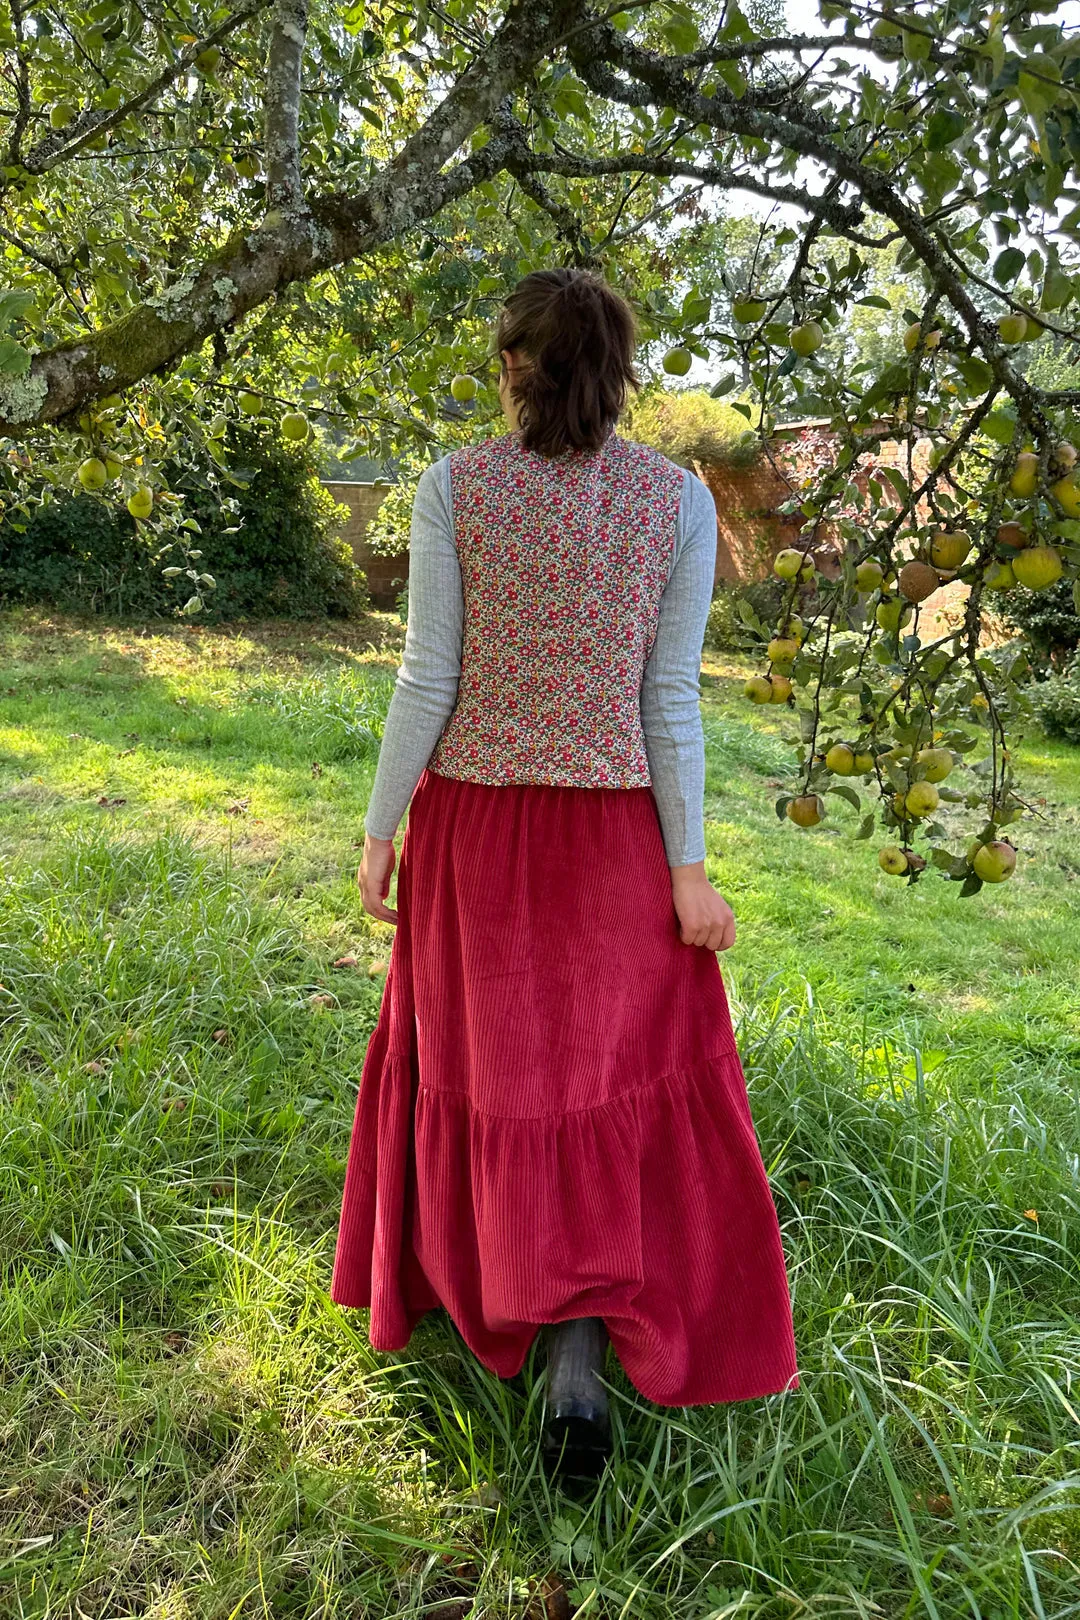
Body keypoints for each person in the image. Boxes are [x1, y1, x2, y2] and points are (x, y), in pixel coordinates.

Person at [330, 268, 798, 1474]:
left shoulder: (456, 487)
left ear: (514, 368)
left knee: (494, 1072)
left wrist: (382, 828)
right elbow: (669, 702)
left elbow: (426, 679)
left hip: (476, 840)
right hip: (614, 851)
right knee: (600, 1080)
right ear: (620, 376)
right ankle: (580, 1350)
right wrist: (688, 871)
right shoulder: (678, 502)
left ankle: (515, 1302)